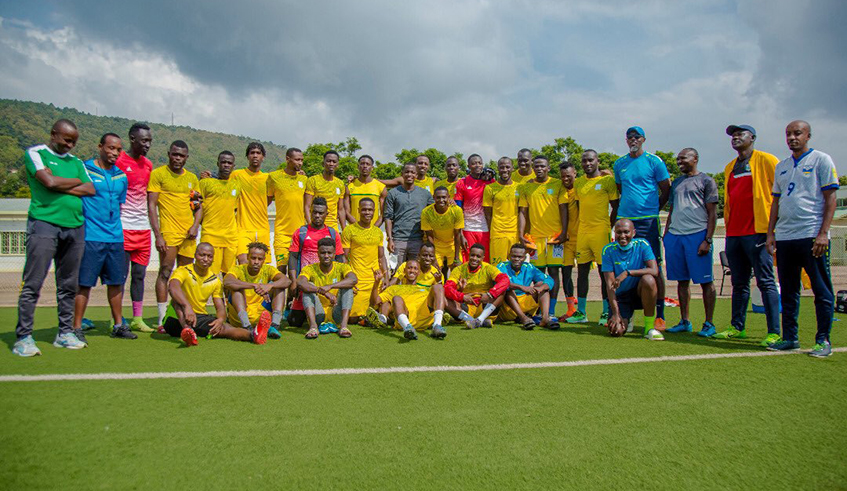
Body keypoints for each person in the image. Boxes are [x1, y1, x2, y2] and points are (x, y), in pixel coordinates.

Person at [13, 119, 95, 356]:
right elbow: (47, 181)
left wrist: (58, 183)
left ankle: (65, 333)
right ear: (54, 135)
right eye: (66, 140)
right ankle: (24, 337)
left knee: (68, 284)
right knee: (33, 283)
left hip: (75, 226)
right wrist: (70, 182)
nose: (70, 145)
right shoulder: (36, 153)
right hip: (44, 224)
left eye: (74, 142)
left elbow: (89, 189)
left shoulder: (76, 162)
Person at [766, 120, 838, 357]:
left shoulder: (821, 160)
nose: (792, 138)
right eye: (788, 134)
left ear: (808, 135)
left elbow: (830, 198)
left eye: (797, 133)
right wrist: (771, 233)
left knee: (821, 289)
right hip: (786, 237)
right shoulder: (782, 166)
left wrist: (823, 233)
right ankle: (790, 338)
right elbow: (775, 201)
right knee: (788, 290)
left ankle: (823, 340)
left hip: (810, 234)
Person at [715, 124, 781, 346]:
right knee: (739, 282)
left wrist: (774, 229)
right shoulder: (729, 167)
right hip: (734, 233)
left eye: (740, 134)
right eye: (732, 135)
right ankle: (737, 327)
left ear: (752, 137)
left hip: (759, 232)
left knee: (765, 281)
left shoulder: (767, 160)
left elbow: (780, 194)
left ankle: (773, 332)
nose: (735, 137)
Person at [73, 133, 136, 342]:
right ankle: (76, 327)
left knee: (117, 282)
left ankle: (118, 325)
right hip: (91, 236)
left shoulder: (120, 176)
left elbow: (118, 203)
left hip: (116, 237)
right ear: (100, 146)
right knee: (84, 283)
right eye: (110, 148)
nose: (114, 153)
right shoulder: (85, 170)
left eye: (118, 149)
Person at [613, 126, 671, 329]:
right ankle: (625, 313)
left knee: (654, 267)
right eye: (629, 137)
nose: (633, 140)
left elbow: (666, 189)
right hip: (625, 219)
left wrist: (654, 208)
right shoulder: (619, 163)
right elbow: (621, 190)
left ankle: (659, 315)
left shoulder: (654, 161)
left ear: (644, 139)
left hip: (648, 220)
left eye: (636, 136)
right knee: (620, 265)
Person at [164, 242, 269, 346]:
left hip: (198, 319)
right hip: (175, 320)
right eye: (202, 255)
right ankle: (187, 329)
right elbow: (173, 287)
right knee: (177, 301)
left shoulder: (215, 280)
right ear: (195, 255)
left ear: (213, 259)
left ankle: (253, 335)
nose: (206, 259)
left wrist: (220, 320)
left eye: (209, 256)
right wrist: (187, 306)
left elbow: (220, 308)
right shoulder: (183, 271)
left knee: (223, 327)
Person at [663, 148, 718, 336]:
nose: (679, 161)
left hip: (697, 235)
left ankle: (709, 323)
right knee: (682, 281)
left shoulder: (706, 181)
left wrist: (707, 240)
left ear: (695, 158)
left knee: (705, 281)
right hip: (676, 236)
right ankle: (685, 321)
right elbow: (672, 210)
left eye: (683, 158)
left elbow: (712, 213)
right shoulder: (676, 182)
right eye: (677, 159)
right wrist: (667, 234)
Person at [148, 140, 201, 330]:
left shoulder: (193, 179)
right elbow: (152, 205)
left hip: (189, 235)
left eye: (182, 155)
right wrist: (158, 235)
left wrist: (195, 226)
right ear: (169, 153)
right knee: (165, 272)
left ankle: (183, 316)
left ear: (187, 157)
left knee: (185, 277)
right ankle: (162, 319)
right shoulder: (158, 174)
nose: (178, 158)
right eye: (174, 154)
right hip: (169, 233)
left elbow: (198, 206)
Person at [568, 150, 619, 326]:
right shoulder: (579, 182)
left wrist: (608, 227)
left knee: (604, 273)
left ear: (597, 161)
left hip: (601, 232)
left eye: (590, 160)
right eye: (584, 161)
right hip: (583, 233)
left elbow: (616, 206)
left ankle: (606, 311)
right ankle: (581, 312)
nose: (587, 163)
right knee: (581, 272)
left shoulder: (607, 181)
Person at [518, 155, 568, 320]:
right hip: (535, 238)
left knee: (554, 272)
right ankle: (540, 310)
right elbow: (523, 212)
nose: (539, 169)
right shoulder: (527, 187)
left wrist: (564, 231)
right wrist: (521, 234)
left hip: (554, 238)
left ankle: (551, 310)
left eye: (542, 166)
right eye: (536, 166)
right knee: (538, 273)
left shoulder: (557, 184)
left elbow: (563, 209)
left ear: (548, 167)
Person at [115, 122, 154, 332]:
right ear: (132, 139)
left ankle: (137, 318)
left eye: (150, 141)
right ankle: (118, 318)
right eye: (144, 140)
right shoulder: (119, 161)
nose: (147, 144)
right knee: (120, 276)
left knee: (139, 275)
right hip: (122, 227)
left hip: (143, 228)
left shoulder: (148, 164)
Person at [287, 197, 345, 327]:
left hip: (327, 281)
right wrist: (294, 281)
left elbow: (340, 258)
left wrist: (343, 278)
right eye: (314, 212)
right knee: (294, 322)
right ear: (310, 212)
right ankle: (291, 307)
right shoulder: (301, 232)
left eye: (321, 213)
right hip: (306, 280)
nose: (317, 215)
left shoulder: (333, 233)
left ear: (327, 214)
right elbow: (293, 257)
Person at [602, 219, 664, 341]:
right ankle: (627, 317)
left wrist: (628, 273)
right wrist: (615, 314)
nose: (622, 236)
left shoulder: (642, 244)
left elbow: (654, 270)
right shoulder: (608, 250)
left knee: (649, 280)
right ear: (614, 233)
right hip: (621, 298)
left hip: (640, 293)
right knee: (616, 331)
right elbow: (610, 285)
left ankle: (649, 328)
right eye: (619, 232)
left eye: (626, 232)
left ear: (633, 233)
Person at [223, 242, 290, 339]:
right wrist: (253, 285)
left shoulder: (268, 269)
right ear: (247, 257)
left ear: (264, 260)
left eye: (260, 259)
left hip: (261, 315)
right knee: (236, 287)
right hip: (240, 317)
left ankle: (275, 326)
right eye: (253, 258)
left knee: (279, 286)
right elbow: (227, 281)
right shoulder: (238, 269)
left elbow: (287, 281)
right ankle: (247, 327)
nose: (256, 262)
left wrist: (270, 285)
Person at [371, 259, 448, 339]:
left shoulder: (426, 289)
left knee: (438, 287)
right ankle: (407, 327)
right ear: (404, 270)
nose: (412, 271)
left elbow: (444, 302)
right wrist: (376, 282)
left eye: (415, 268)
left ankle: (437, 325)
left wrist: (439, 283)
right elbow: (375, 302)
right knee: (396, 298)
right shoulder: (394, 288)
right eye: (409, 268)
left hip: (424, 319)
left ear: (419, 273)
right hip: (405, 319)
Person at [298, 238, 358, 339]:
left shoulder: (342, 267)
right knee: (308, 286)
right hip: (318, 314)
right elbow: (300, 283)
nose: (326, 256)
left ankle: (343, 327)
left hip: (336, 313)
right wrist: (322, 291)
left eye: (329, 253)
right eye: (323, 253)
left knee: (348, 287)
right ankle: (313, 327)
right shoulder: (309, 268)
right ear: (317, 253)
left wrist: (330, 286)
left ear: (334, 254)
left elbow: (353, 279)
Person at [341, 198, 389, 322]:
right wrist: (347, 279)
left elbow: (381, 257)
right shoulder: (349, 230)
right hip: (358, 281)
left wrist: (386, 278)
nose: (367, 212)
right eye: (364, 210)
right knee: (352, 318)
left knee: (384, 307)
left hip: (375, 280)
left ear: (374, 212)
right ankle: (367, 320)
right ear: (358, 211)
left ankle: (374, 318)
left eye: (370, 210)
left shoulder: (378, 232)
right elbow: (344, 257)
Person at [444, 243, 510, 329]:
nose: (474, 259)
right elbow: (448, 287)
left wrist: (490, 294)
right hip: (465, 307)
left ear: (483, 258)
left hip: (484, 305)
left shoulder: (489, 268)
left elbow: (505, 280)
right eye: (472, 255)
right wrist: (462, 297)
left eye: (478, 256)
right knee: (442, 294)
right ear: (469, 255)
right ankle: (475, 321)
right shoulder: (459, 269)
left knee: (502, 290)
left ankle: (479, 319)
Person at [497, 243, 556, 330]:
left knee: (541, 284)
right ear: (509, 256)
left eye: (520, 257)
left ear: (524, 258)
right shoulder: (502, 266)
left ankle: (545, 318)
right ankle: (523, 318)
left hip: (526, 305)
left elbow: (549, 280)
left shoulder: (529, 267)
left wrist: (540, 288)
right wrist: (521, 287)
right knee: (508, 289)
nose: (517, 259)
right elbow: (499, 284)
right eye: (514, 256)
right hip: (508, 307)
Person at [267, 147, 308, 272]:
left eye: (301, 160)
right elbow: (266, 201)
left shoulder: (304, 179)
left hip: (300, 233)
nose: (300, 163)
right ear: (287, 159)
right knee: (281, 269)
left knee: (297, 272)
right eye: (297, 160)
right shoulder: (274, 177)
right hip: (281, 233)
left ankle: (293, 293)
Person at [384, 162, 434, 263]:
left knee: (415, 273)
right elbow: (388, 217)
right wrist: (390, 239)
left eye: (412, 172)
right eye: (407, 172)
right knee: (396, 273)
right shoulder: (393, 193)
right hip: (398, 240)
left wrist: (450, 201)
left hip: (418, 240)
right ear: (402, 174)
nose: (409, 175)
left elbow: (435, 211)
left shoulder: (425, 194)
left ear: (416, 175)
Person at [199, 151, 239, 275]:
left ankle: (226, 296)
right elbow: (196, 206)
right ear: (218, 163)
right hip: (210, 235)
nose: (226, 165)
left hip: (230, 237)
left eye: (229, 163)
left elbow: (235, 209)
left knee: (230, 275)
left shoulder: (236, 185)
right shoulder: (205, 183)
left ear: (233, 166)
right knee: (208, 275)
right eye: (223, 162)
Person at [231, 142, 271, 264]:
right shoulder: (237, 175)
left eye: (258, 153)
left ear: (263, 157)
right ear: (247, 156)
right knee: (243, 262)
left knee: (262, 265)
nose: (255, 156)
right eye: (252, 153)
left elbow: (269, 199)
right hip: (243, 228)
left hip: (263, 228)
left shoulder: (268, 178)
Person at [483, 157, 520, 265]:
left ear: (513, 168)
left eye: (507, 167)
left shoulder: (520, 188)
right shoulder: (490, 188)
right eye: (502, 167)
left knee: (516, 267)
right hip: (497, 233)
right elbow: (488, 214)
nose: (505, 170)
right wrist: (493, 230)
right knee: (498, 267)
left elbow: (522, 211)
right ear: (498, 169)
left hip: (515, 233)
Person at [455, 154, 492, 261]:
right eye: (474, 163)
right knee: (468, 259)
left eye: (480, 163)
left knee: (485, 260)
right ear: (468, 166)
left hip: (485, 227)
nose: (477, 165)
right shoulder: (462, 182)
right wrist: (461, 233)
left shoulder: (490, 181)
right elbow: (458, 209)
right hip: (468, 227)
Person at [421, 186, 465, 273]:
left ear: (448, 197)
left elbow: (457, 234)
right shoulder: (426, 212)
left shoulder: (456, 210)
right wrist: (433, 257)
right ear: (434, 197)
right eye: (438, 197)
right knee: (435, 271)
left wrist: (456, 258)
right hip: (436, 245)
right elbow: (429, 236)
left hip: (452, 245)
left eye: (444, 197)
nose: (441, 200)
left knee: (457, 271)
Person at [304, 150, 346, 231]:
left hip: (332, 228)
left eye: (334, 162)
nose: (331, 164)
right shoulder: (313, 180)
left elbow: (341, 209)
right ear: (323, 163)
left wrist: (344, 230)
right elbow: (307, 206)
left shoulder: (340, 184)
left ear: (337, 165)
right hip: (316, 226)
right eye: (328, 161)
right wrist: (311, 227)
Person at [557, 161, 579, 319]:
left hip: (584, 237)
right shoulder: (560, 189)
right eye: (563, 176)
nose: (565, 179)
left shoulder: (581, 186)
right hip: (566, 239)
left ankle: (606, 309)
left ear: (575, 174)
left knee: (586, 273)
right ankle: (570, 308)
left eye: (568, 176)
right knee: (566, 273)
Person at [344, 155, 387, 227]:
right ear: (358, 166)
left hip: (373, 230)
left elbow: (383, 213)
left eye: (368, 164)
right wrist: (357, 226)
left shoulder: (381, 187)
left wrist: (374, 229)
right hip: (354, 229)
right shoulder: (349, 186)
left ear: (372, 168)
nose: (365, 166)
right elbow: (346, 211)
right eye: (362, 163)